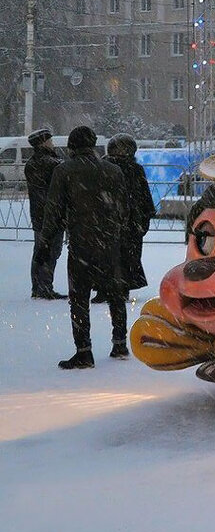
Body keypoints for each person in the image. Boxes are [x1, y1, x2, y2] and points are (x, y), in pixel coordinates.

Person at [41, 125, 130, 369]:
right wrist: (114, 232)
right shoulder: (113, 170)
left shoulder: (64, 171)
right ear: (93, 144)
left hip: (81, 244)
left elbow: (54, 210)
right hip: (109, 243)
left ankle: (84, 351)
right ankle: (120, 343)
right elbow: (123, 208)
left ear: (71, 147)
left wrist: (45, 243)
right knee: (115, 295)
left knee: (79, 299)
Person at [98, 134, 154, 304]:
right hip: (130, 221)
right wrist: (143, 218)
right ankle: (122, 288)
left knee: (107, 255)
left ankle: (105, 288)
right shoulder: (133, 169)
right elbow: (144, 197)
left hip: (110, 219)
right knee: (128, 256)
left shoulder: (104, 167)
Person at [25, 128, 67, 299]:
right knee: (51, 251)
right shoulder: (51, 163)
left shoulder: (32, 163)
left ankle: (38, 286)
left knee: (40, 251)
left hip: (39, 214)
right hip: (52, 215)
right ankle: (45, 287)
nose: (52, 143)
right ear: (43, 143)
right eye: (50, 140)